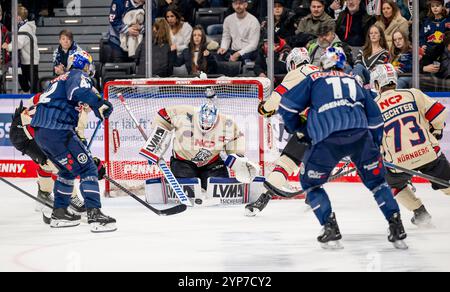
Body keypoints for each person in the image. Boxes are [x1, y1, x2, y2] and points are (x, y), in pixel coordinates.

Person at [277, 47, 407, 249]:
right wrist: (374, 143)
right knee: (378, 183)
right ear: (342, 63)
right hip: (360, 137)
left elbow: (285, 107)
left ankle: (330, 226)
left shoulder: (314, 79)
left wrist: (299, 129)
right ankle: (396, 225)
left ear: (324, 63)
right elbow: (375, 118)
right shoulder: (354, 81)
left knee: (311, 185)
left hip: (326, 140)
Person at [30, 50, 116, 233]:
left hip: (41, 132)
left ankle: (59, 213)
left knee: (66, 170)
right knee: (88, 169)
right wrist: (99, 103)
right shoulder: (78, 75)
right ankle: (95, 214)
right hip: (58, 130)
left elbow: (74, 95)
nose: (89, 68)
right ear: (84, 64)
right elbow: (78, 91)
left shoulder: (60, 78)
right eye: (88, 65)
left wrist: (96, 107)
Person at [371, 63, 450, 227]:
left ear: (377, 84)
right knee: (447, 182)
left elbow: (372, 140)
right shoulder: (412, 94)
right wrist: (435, 131)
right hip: (427, 152)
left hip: (399, 161)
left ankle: (420, 213)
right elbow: (440, 114)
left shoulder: (373, 106)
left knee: (393, 184)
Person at [245, 47, 319, 216]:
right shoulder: (319, 70)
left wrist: (265, 109)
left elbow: (276, 98)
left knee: (287, 161)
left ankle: (264, 198)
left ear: (293, 63)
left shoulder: (297, 72)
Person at [148, 88, 260, 190]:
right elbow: (163, 115)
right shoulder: (185, 113)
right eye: (202, 126)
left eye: (208, 126)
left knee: (222, 190)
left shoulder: (227, 123)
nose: (205, 128)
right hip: (183, 161)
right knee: (188, 190)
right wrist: (155, 141)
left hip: (212, 162)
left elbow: (236, 138)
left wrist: (237, 157)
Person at [9, 95, 101, 214]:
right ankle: (71, 198)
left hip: (34, 130)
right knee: (59, 162)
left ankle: (44, 195)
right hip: (23, 133)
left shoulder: (71, 103)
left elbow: (77, 142)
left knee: (48, 163)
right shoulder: (75, 109)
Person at [1, 5, 40, 93]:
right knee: (26, 78)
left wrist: (8, 46)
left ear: (18, 17)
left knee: (33, 80)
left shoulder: (24, 27)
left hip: (29, 60)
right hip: (27, 59)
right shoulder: (23, 26)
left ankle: (36, 96)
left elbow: (19, 43)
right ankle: (31, 92)